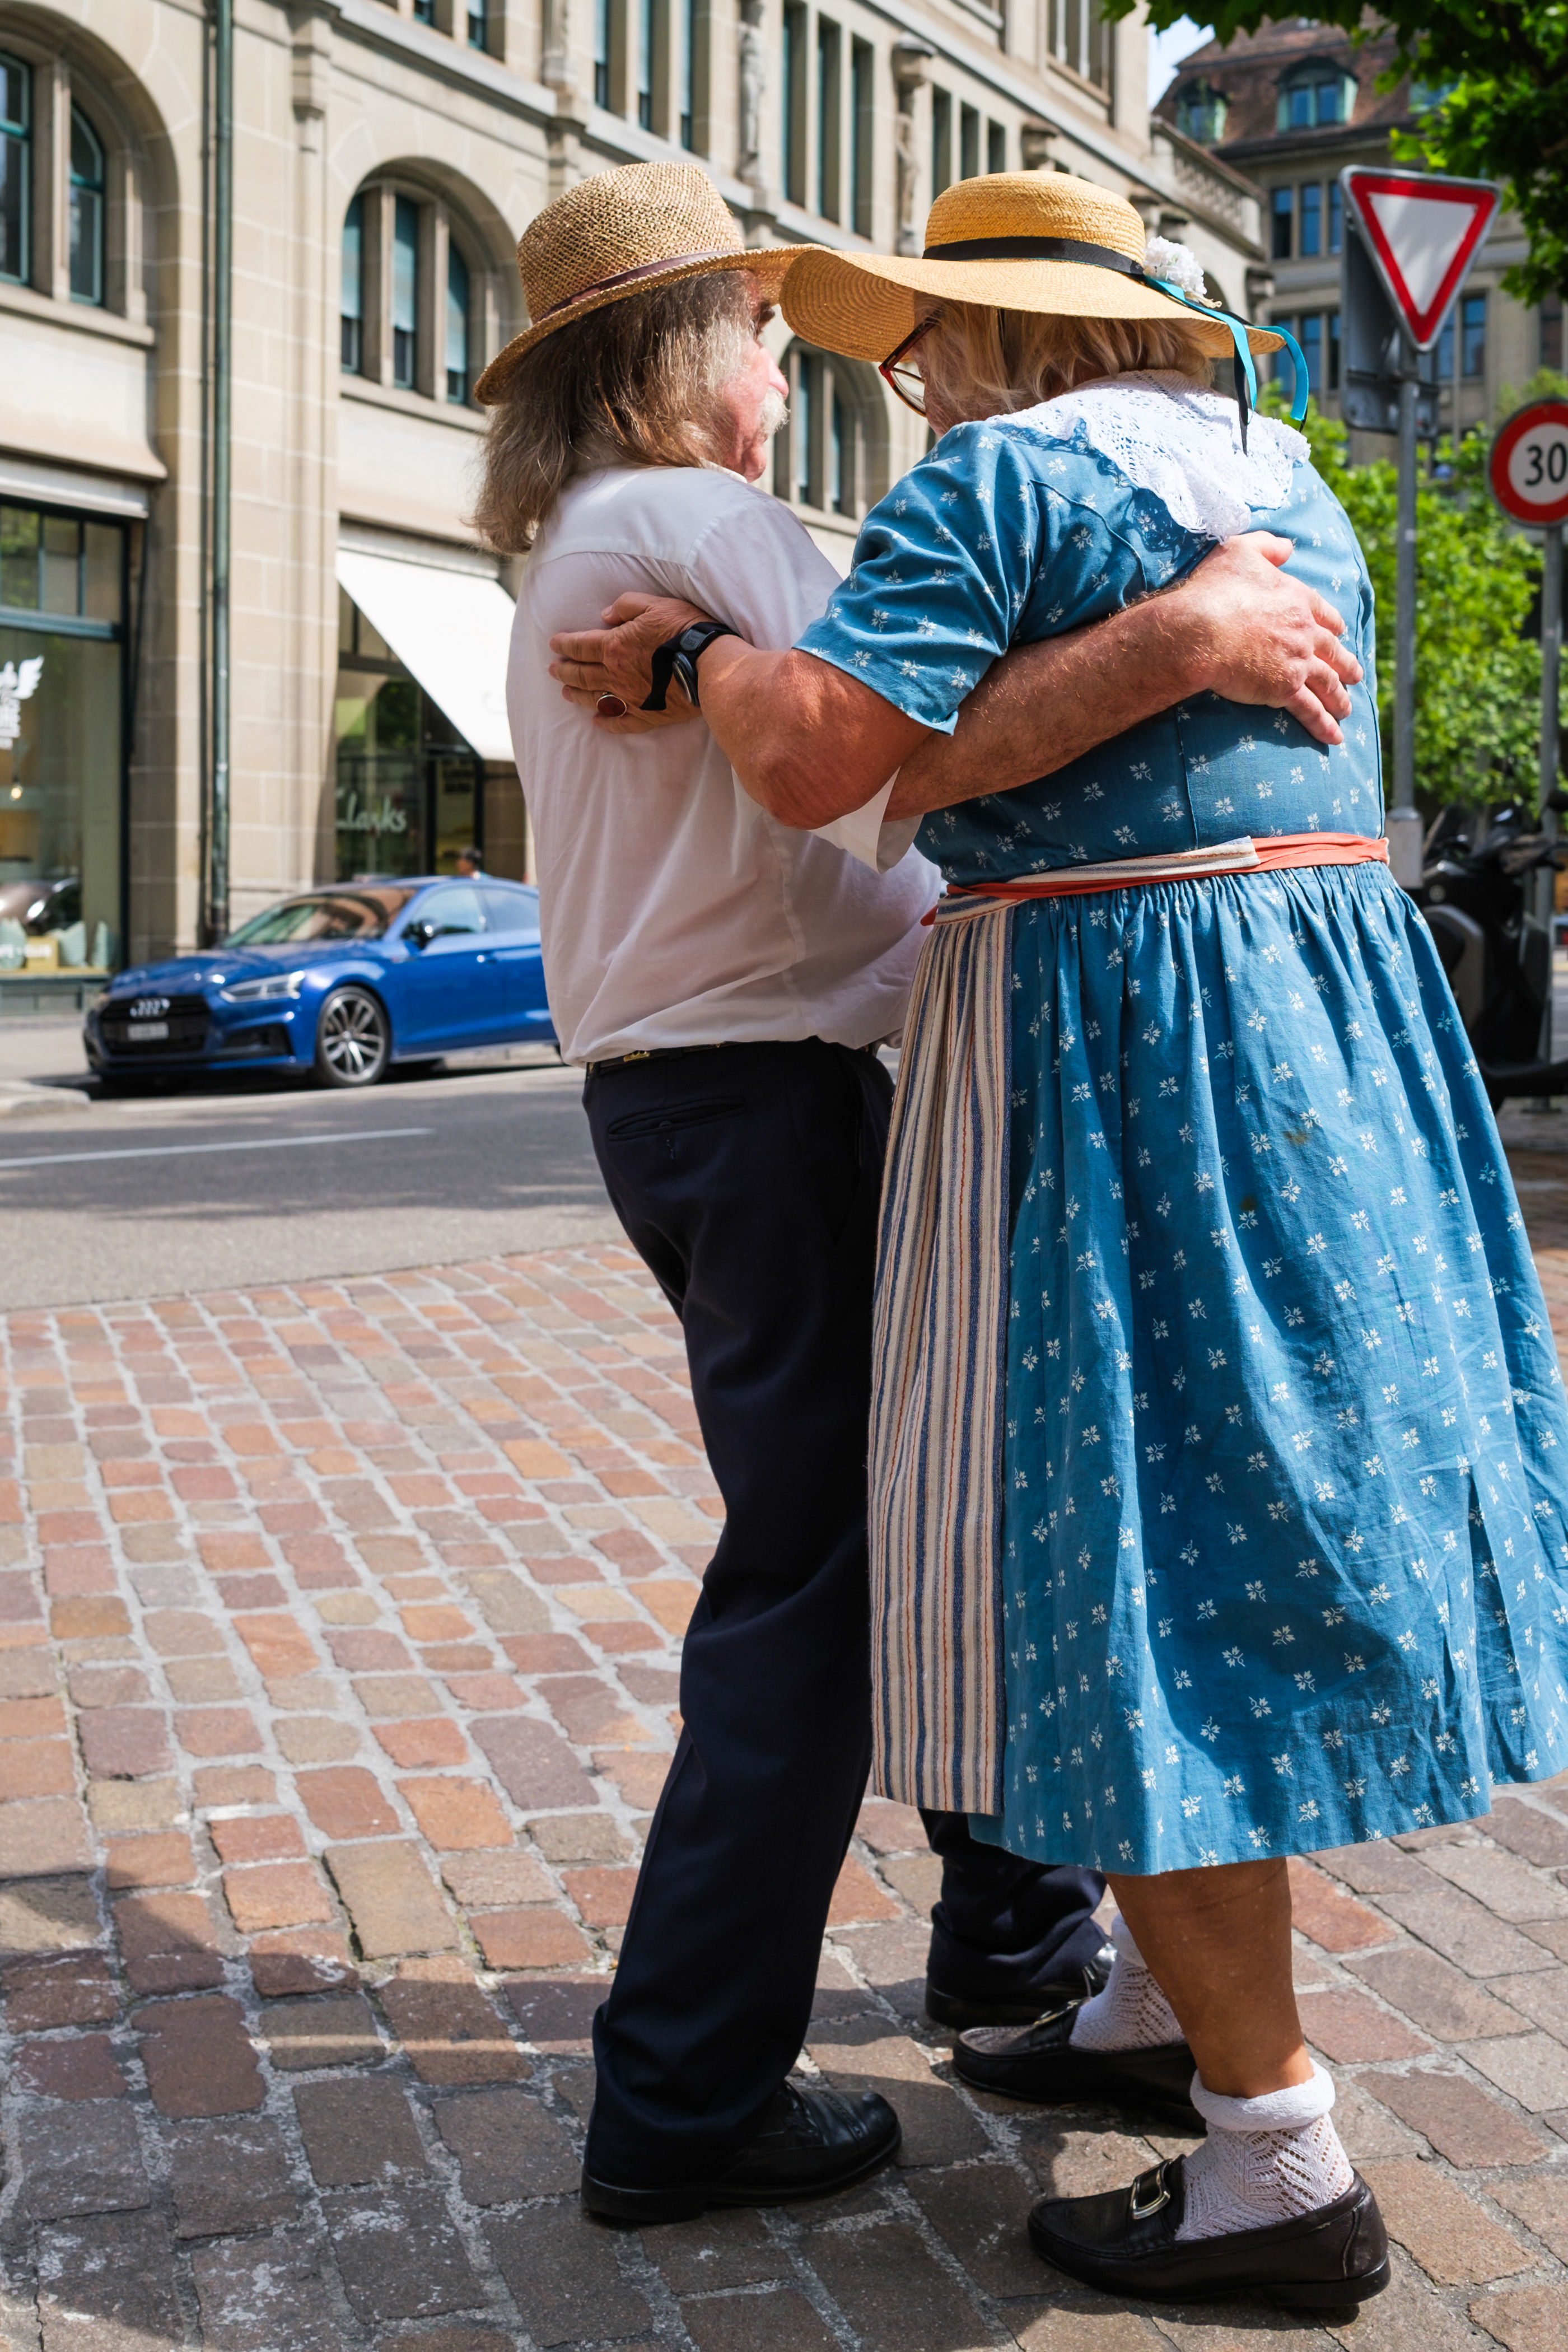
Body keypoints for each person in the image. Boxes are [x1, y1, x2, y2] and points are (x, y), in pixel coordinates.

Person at [548, 168, 1568, 2302]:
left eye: (917, 341)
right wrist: (1172, 639)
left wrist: (739, 656)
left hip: (1111, 1040)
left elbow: (828, 762)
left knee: (1110, 1546)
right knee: (1212, 1515)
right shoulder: (1280, 460)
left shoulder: (994, 480)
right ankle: (1133, 2008)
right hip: (1318, 1022)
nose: (902, 380)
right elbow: (1191, 729)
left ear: (991, 336)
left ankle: (1277, 2158)